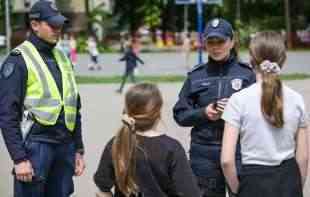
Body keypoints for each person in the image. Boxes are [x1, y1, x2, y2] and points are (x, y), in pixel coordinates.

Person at [0, 1, 85, 197]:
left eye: (60, 25)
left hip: (64, 146)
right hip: (36, 146)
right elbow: (7, 114)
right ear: (35, 25)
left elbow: (73, 106)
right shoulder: (18, 60)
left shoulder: (63, 57)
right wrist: (19, 159)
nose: (58, 29)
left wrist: (78, 149)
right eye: (52, 25)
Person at [173, 18, 256, 197]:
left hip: (240, 151)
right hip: (203, 153)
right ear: (205, 44)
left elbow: (260, 114)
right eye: (211, 42)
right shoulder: (196, 76)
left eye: (221, 41)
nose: (216, 47)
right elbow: (180, 114)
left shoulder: (247, 74)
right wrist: (204, 113)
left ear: (232, 42)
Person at [221, 31, 309, 197]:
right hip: (289, 179)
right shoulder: (297, 99)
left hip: (253, 181)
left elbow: (226, 160)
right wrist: (297, 186)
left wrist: (237, 189)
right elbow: (303, 157)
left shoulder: (238, 100)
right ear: (283, 59)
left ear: (251, 60)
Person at [94, 83, 201, 197]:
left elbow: (102, 190)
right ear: (158, 112)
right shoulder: (172, 148)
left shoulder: (116, 143)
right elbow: (190, 193)